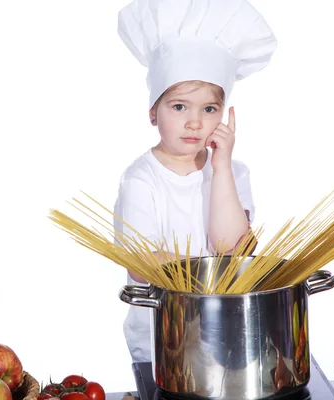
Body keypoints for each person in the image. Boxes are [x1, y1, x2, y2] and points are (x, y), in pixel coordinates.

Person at [114, 0, 278, 363]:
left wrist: (221, 167)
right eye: (179, 106)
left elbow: (231, 247)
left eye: (209, 109)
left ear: (224, 114)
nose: (194, 122)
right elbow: (142, 263)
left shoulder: (233, 173)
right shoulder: (141, 180)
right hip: (164, 338)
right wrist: (216, 274)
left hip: (228, 333)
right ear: (153, 113)